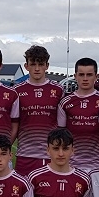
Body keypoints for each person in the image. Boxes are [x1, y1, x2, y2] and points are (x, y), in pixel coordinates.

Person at [14, 45, 64, 176]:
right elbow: (14, 123)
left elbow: (62, 125)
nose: (37, 68)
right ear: (26, 66)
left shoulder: (58, 90)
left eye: (41, 64)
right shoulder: (17, 91)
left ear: (47, 66)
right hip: (25, 154)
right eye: (33, 64)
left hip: (50, 155)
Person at [57, 57, 99, 173]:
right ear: (75, 76)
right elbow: (61, 135)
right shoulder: (65, 102)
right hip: (72, 165)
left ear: (96, 77)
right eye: (81, 75)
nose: (85, 79)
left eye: (89, 75)